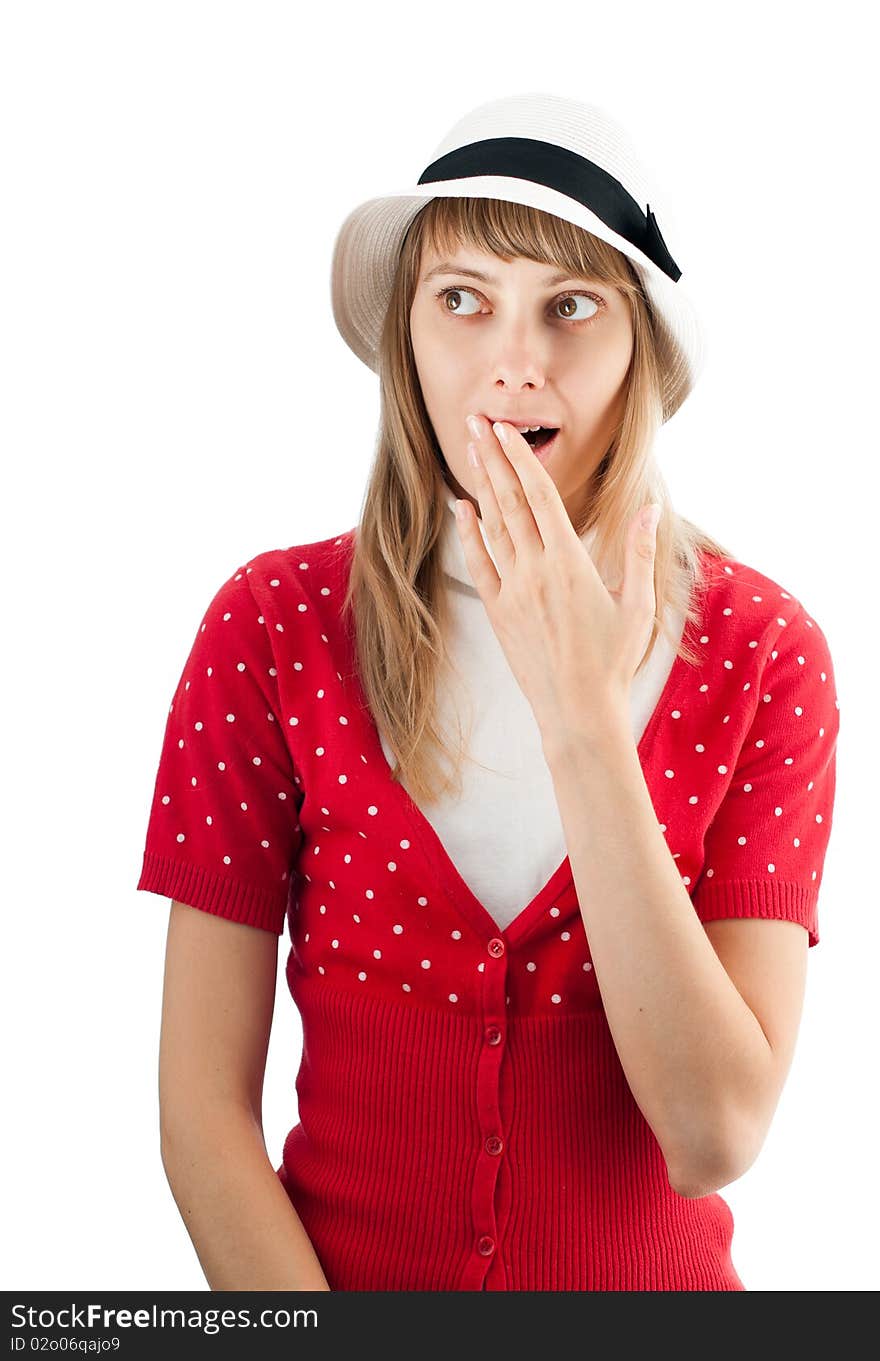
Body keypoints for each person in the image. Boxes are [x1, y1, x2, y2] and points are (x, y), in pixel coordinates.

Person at [137, 92, 840, 1291]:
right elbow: (202, 1117)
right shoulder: (272, 624)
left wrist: (582, 715)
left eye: (571, 307)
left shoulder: (763, 649)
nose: (515, 361)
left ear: (643, 354)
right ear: (406, 334)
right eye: (461, 298)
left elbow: (715, 1131)